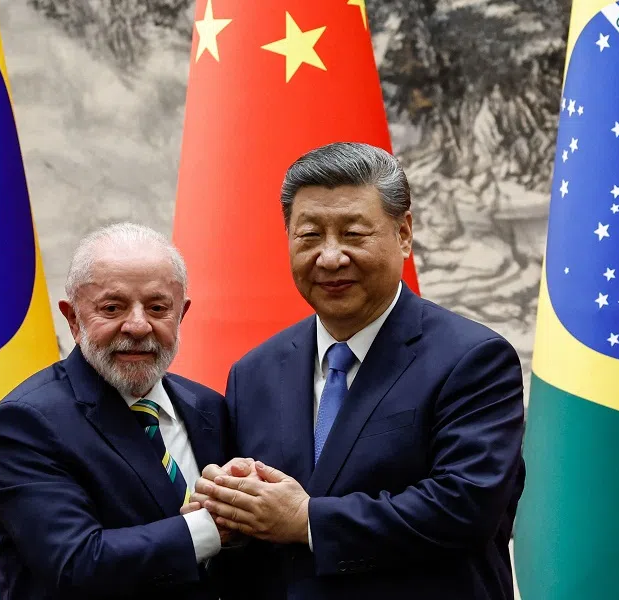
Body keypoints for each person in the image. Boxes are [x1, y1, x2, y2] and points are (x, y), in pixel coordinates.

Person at [196, 142, 526, 599]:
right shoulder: (253, 373)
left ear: (404, 234)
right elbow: (259, 538)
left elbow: (465, 507)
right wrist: (226, 516)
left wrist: (306, 519)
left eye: (353, 234)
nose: (330, 257)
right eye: (309, 236)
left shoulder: (474, 360)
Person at [0, 223, 235, 599]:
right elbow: (76, 563)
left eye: (158, 308)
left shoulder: (209, 408)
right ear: (73, 319)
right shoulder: (26, 422)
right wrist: (212, 527)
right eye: (112, 308)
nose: (138, 326)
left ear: (181, 315)